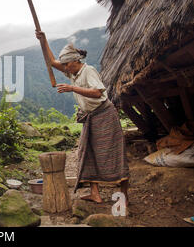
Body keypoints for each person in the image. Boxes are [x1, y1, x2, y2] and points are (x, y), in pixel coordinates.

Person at [36, 30, 130, 205]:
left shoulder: (89, 71)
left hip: (105, 116)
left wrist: (73, 89)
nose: (64, 67)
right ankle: (95, 193)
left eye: (66, 64)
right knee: (87, 153)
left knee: (114, 155)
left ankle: (123, 196)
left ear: (75, 61)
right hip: (91, 118)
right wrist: (44, 40)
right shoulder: (72, 72)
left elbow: (97, 92)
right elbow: (52, 62)